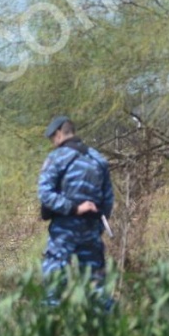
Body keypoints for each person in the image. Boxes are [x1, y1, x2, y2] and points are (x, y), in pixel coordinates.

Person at [38, 116, 114, 310]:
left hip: (64, 229)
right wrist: (96, 226)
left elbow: (45, 194)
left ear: (58, 134)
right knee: (96, 285)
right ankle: (106, 330)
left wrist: (73, 208)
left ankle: (52, 328)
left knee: (54, 283)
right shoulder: (98, 159)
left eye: (52, 139)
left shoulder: (57, 158)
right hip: (91, 229)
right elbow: (107, 201)